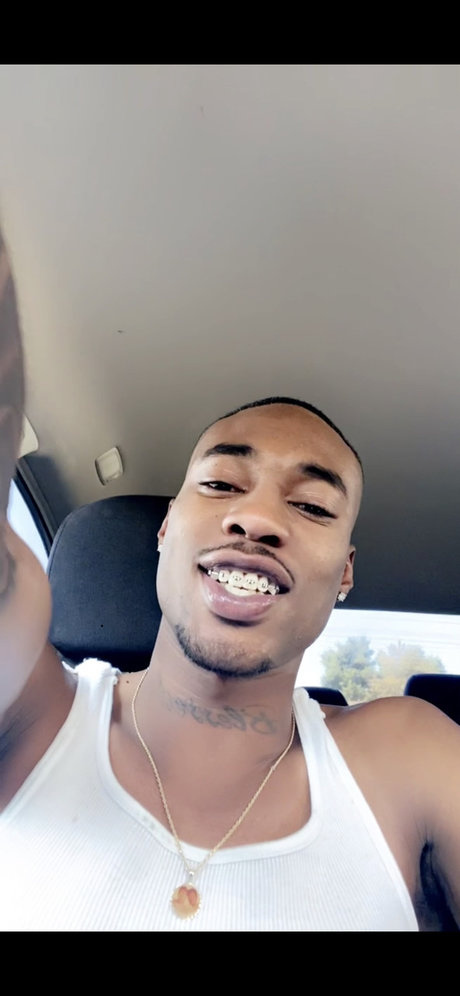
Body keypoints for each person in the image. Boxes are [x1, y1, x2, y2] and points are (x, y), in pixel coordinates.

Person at [1, 228, 460, 933]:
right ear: (165, 532)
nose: (257, 518)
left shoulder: (409, 752)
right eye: (220, 484)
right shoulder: (34, 717)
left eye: (311, 506)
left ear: (344, 573)